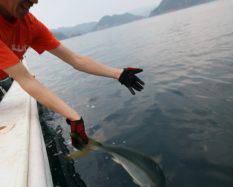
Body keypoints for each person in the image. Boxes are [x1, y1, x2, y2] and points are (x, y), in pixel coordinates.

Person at [0, 0, 145, 150]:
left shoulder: (29, 24)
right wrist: (74, 117)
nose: (33, 2)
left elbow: (76, 59)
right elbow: (25, 79)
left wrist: (118, 73)